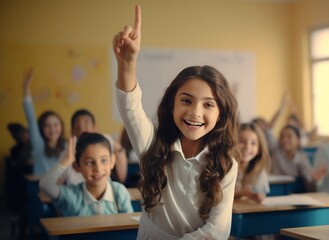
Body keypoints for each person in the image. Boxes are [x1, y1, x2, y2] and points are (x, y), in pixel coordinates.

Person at [113, 5, 239, 239]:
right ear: (172, 105)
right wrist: (127, 64)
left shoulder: (226, 165)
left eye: (208, 104)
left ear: (221, 114)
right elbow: (130, 107)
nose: (195, 113)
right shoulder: (152, 145)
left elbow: (218, 230)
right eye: (186, 101)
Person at [39, 132, 133, 216]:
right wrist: (67, 160)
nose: (98, 169)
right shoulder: (71, 195)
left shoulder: (119, 192)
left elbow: (130, 228)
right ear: (77, 167)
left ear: (112, 161)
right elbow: (45, 185)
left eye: (104, 160)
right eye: (89, 162)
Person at [23, 68, 66, 175]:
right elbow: (31, 120)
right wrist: (26, 89)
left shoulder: (66, 146)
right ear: (41, 128)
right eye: (47, 125)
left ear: (61, 126)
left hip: (61, 189)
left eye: (55, 124)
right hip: (39, 187)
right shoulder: (39, 144)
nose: (52, 129)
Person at [69, 109, 128, 184]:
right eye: (79, 127)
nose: (83, 129)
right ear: (73, 131)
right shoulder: (68, 151)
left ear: (94, 127)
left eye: (87, 125)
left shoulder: (104, 140)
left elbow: (122, 177)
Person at [270, 125, 326, 192]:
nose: (284, 140)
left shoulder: (302, 158)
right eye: (282, 137)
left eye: (289, 136)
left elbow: (309, 181)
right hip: (276, 190)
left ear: (298, 140)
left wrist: (315, 180)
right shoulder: (276, 153)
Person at [235, 123, 271, 203]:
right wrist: (242, 193)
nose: (247, 147)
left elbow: (260, 198)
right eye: (241, 141)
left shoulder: (259, 170)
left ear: (259, 149)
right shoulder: (226, 167)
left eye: (253, 143)